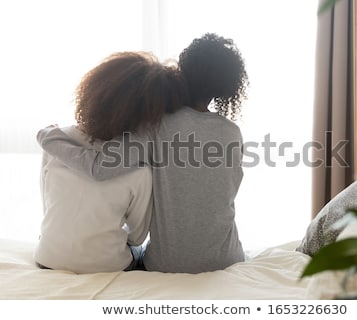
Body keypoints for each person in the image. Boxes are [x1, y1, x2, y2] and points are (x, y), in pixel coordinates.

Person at [36, 33, 250, 274]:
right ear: (227, 87)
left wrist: (47, 136)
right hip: (228, 259)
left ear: (184, 70)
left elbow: (98, 168)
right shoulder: (232, 133)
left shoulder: (155, 126)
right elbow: (224, 194)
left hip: (168, 264)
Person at [34, 51, 187, 273]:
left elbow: (47, 206)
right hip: (108, 266)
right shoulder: (140, 169)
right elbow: (137, 236)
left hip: (47, 257)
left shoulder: (56, 142)